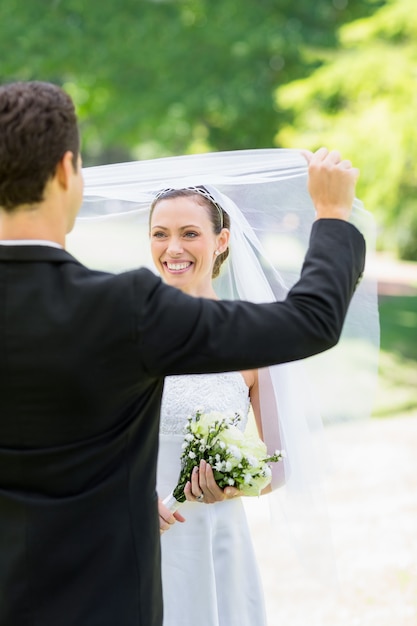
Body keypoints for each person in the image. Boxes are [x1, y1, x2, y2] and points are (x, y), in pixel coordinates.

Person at [0, 80, 365, 626]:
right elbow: (309, 320)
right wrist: (333, 216)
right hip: (111, 595)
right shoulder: (122, 309)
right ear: (66, 171)